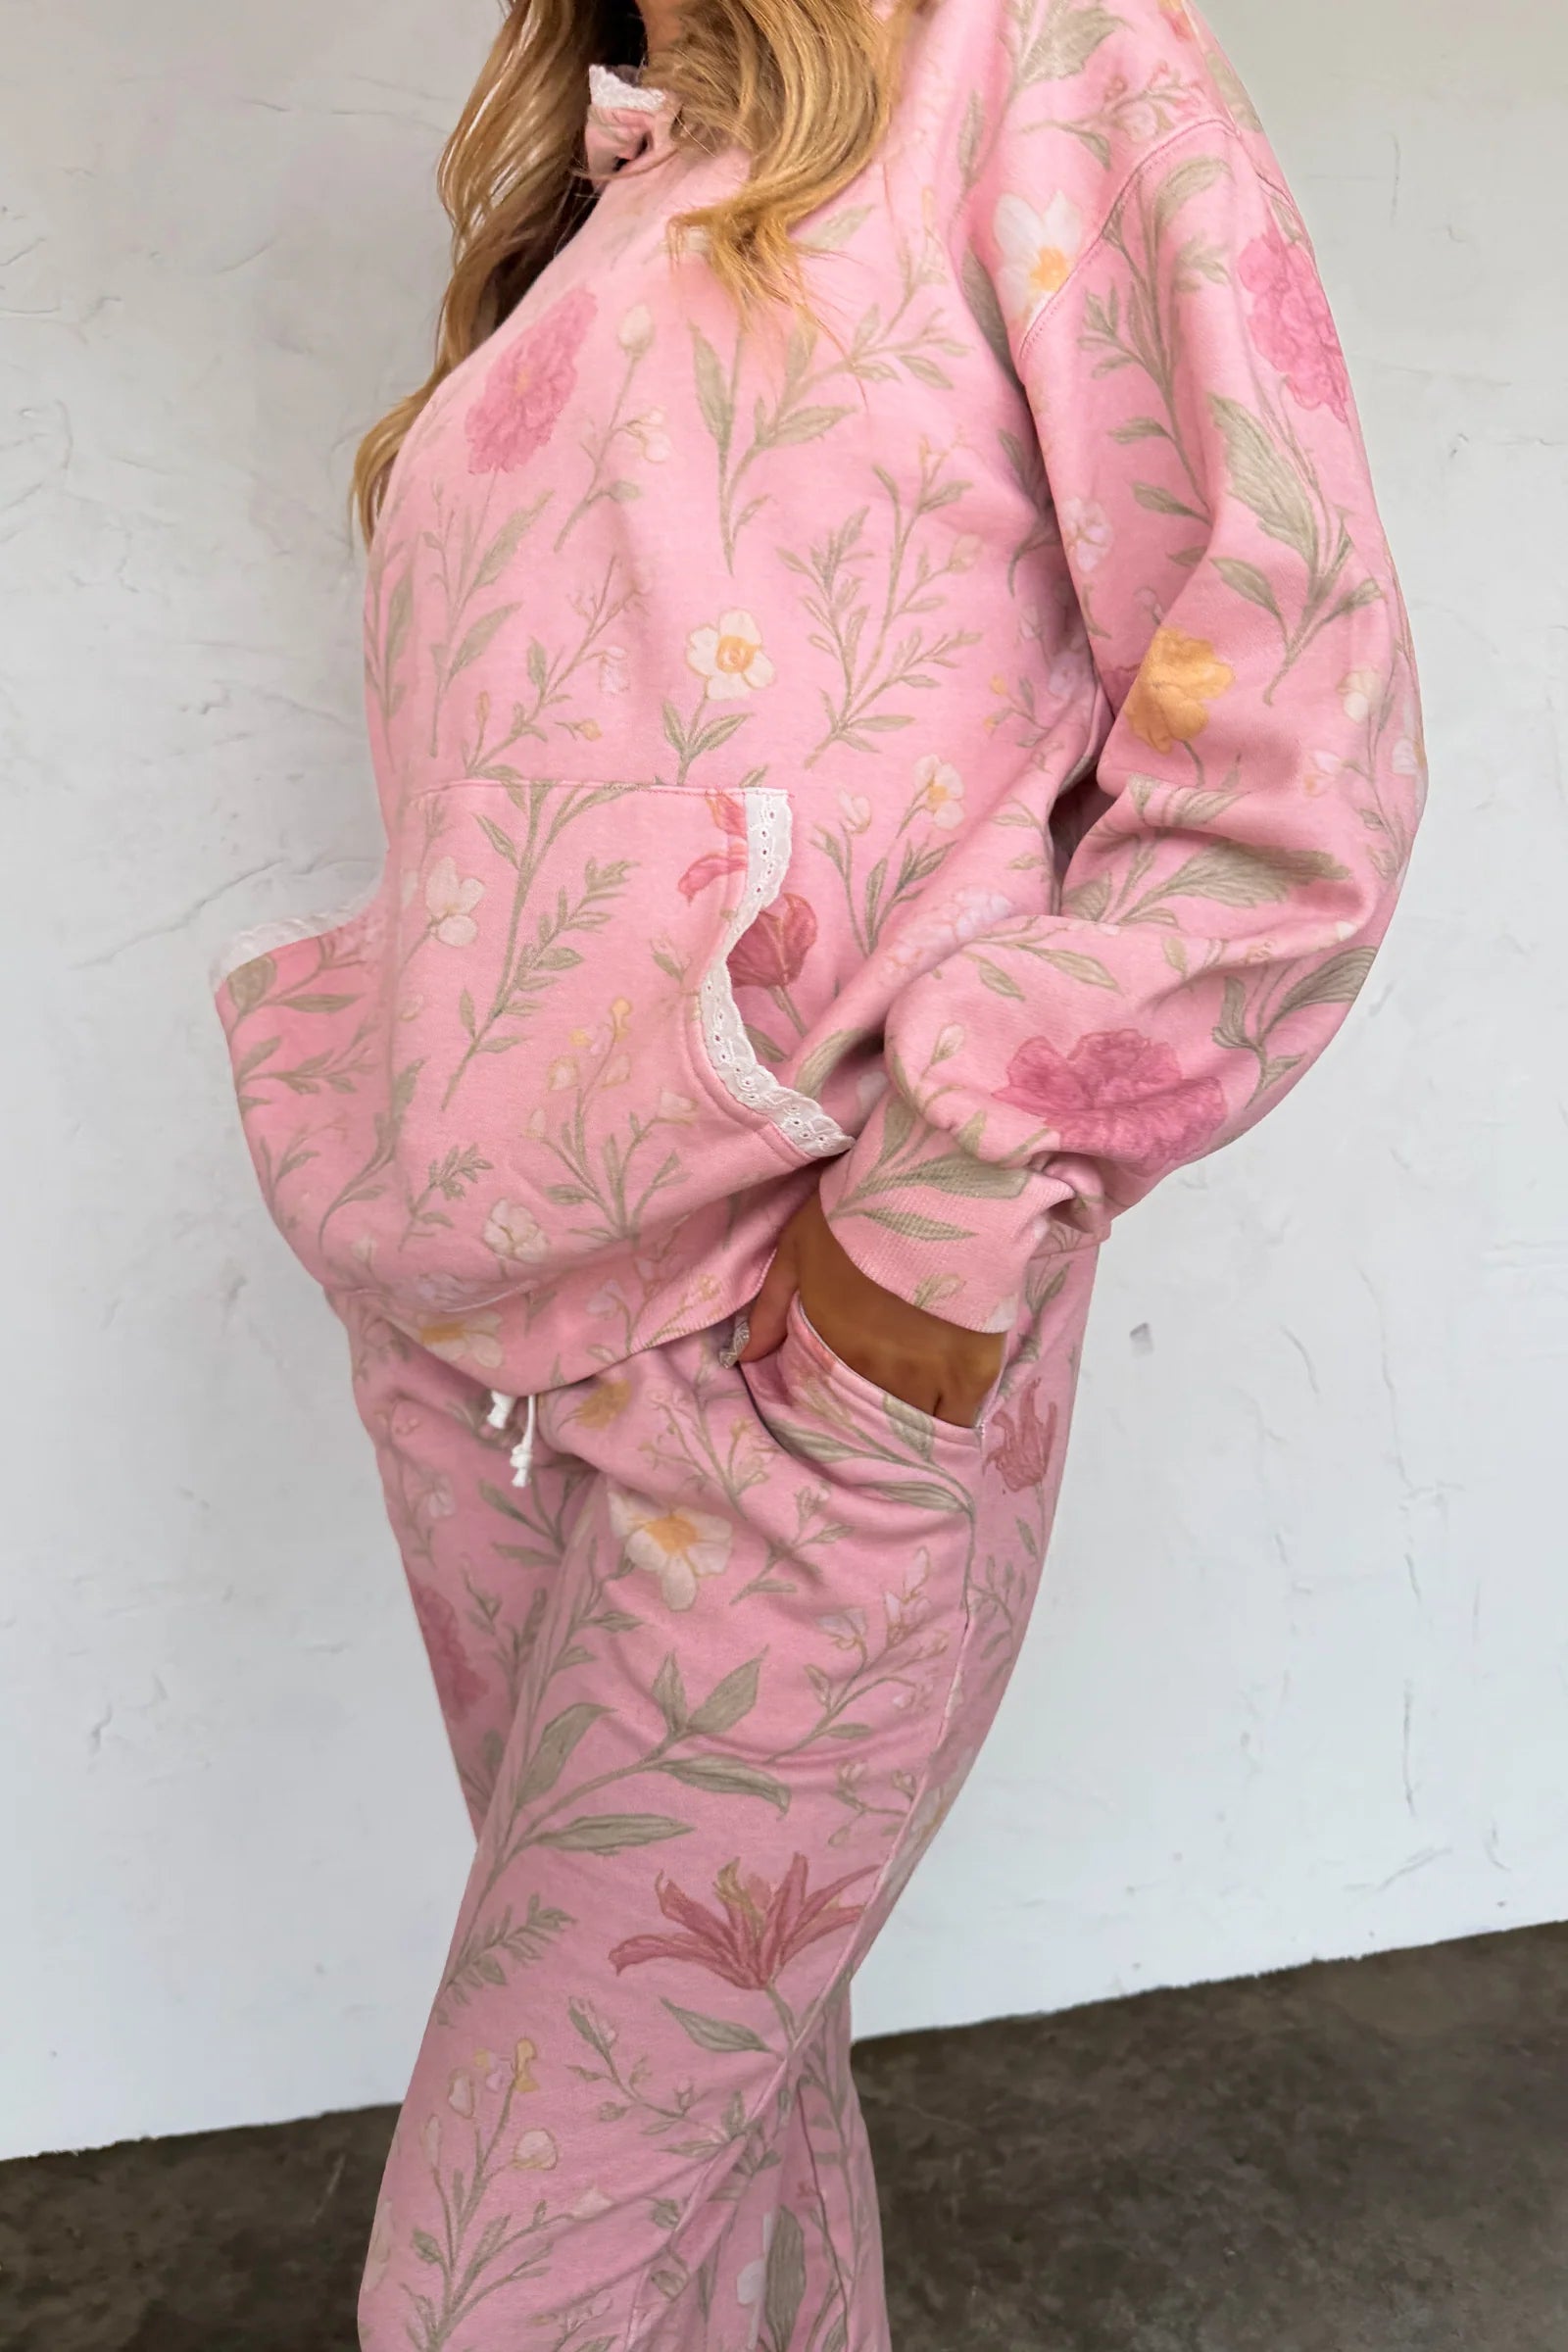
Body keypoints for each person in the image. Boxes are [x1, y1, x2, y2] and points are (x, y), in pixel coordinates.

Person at [211, 0, 1425, 2340]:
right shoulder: (607, 190)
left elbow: (1293, 742)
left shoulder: (1038, 56)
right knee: (716, 2160)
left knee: (500, 2290)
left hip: (792, 1367)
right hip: (476, 1348)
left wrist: (932, 1228)